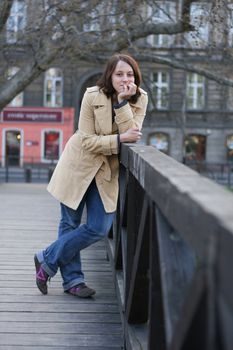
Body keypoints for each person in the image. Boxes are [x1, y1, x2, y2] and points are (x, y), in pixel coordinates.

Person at [34, 53, 148, 298]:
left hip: (107, 171)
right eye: (119, 74)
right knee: (69, 224)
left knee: (99, 227)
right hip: (78, 165)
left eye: (130, 74)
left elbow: (133, 133)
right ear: (110, 75)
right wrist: (118, 140)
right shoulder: (92, 95)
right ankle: (73, 281)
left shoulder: (140, 99)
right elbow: (86, 141)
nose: (124, 78)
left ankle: (46, 258)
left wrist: (121, 103)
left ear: (136, 77)